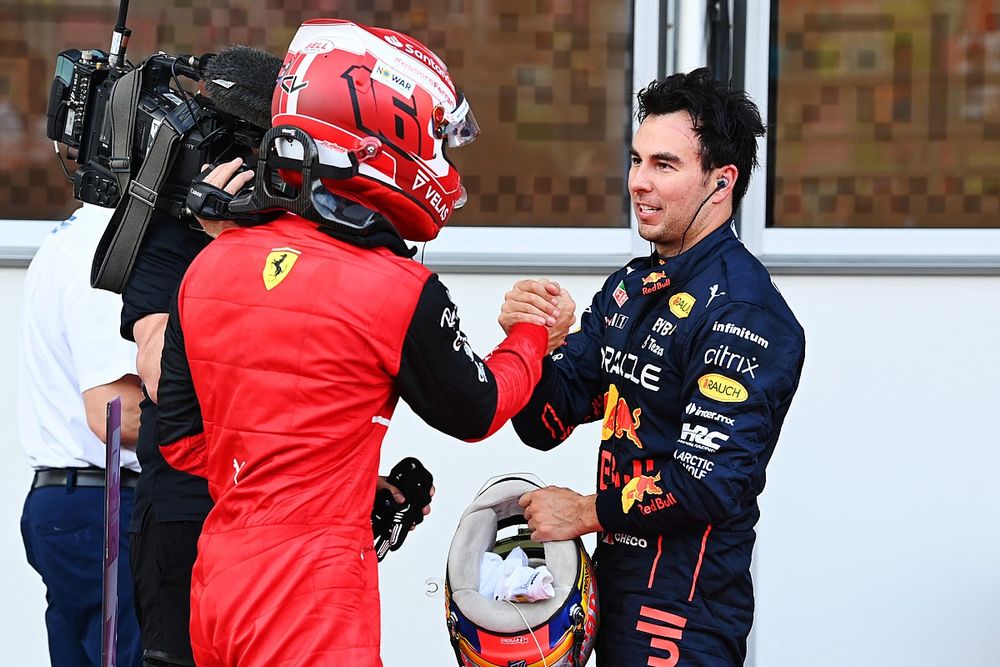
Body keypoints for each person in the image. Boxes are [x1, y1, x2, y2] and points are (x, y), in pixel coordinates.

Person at [154, 19, 571, 667]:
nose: (444, 157)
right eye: (437, 136)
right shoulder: (397, 287)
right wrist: (531, 334)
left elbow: (184, 445)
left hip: (217, 586)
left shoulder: (210, 262)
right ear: (383, 134)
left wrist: (334, 483)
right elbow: (477, 409)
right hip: (310, 598)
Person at [505, 68, 806, 666]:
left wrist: (586, 512)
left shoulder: (744, 311)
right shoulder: (631, 289)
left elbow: (709, 484)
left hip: (684, 610)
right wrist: (540, 341)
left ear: (721, 183)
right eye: (637, 160)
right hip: (612, 592)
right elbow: (543, 424)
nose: (638, 182)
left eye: (663, 165)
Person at [18, 202, 145, 667]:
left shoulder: (78, 232)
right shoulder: (111, 243)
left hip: (77, 504)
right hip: (108, 504)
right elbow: (116, 415)